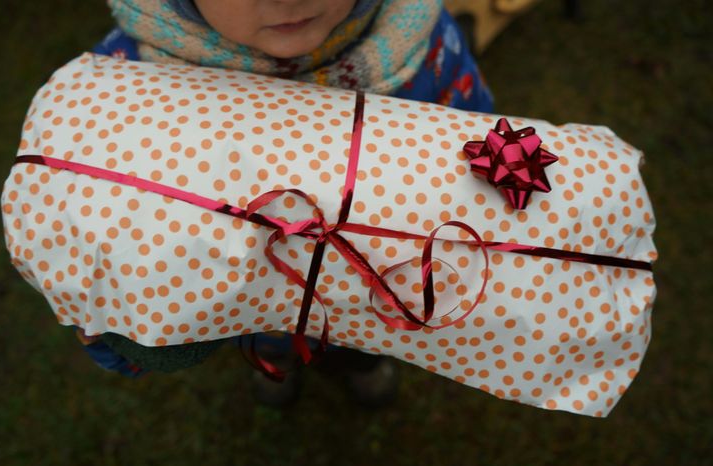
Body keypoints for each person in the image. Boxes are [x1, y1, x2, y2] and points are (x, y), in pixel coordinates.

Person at [77, 0, 494, 406]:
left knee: (364, 341)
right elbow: (108, 235)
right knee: (270, 340)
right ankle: (273, 364)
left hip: (376, 293)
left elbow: (475, 149)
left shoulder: (424, 42)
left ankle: (362, 363)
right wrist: (122, 333)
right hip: (255, 310)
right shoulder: (127, 81)